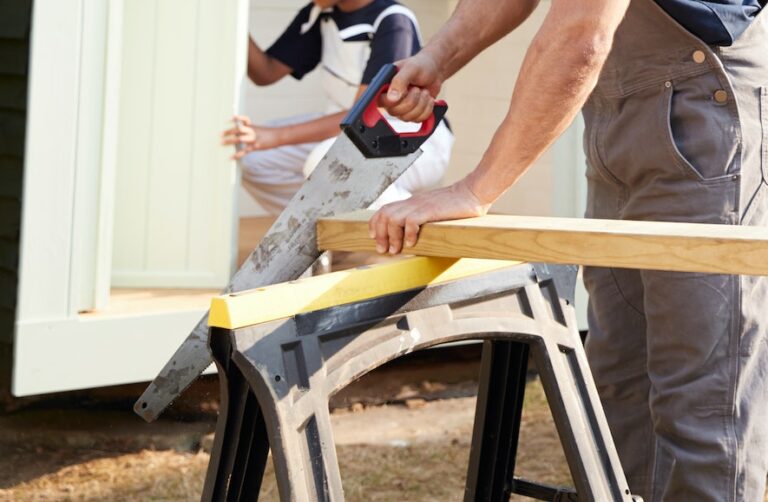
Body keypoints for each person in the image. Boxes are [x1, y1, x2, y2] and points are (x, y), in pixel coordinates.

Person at [368, 0, 768, 500]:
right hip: (617, 122)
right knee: (621, 392)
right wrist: (438, 57)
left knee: (703, 406)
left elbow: (580, 37)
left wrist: (476, 190)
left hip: (701, 111)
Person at [222, 0, 453, 215]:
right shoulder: (321, 12)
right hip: (342, 133)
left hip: (407, 138)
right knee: (249, 154)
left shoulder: (393, 20)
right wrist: (227, 15)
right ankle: (320, 232)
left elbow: (362, 118)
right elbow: (266, 72)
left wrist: (275, 136)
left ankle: (408, 218)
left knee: (324, 158)